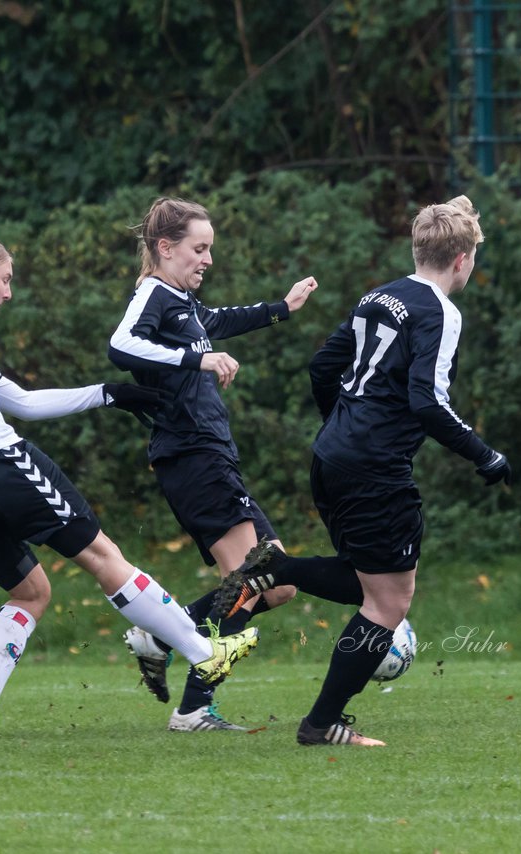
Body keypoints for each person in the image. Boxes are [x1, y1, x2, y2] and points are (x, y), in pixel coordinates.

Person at [0, 233, 259, 736]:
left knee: (30, 592)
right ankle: (202, 652)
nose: (8, 293)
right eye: (5, 279)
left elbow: (24, 402)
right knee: (102, 554)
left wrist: (110, 393)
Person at [216, 195, 510, 746]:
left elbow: (323, 366)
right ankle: (320, 724)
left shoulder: (378, 295)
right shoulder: (441, 313)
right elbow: (427, 401)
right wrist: (482, 454)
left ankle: (278, 571)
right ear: (463, 260)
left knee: (367, 581)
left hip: (331, 457)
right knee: (388, 603)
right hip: (373, 467)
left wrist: (342, 426)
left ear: (418, 248)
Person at [107, 197, 361, 732]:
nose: (208, 260)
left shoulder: (180, 302)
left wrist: (282, 309)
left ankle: (164, 632)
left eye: (210, 250)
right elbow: (121, 344)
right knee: (249, 576)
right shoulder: (153, 294)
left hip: (210, 455)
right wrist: (197, 358)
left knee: (277, 584)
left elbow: (217, 321)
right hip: (192, 455)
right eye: (199, 249)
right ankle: (194, 707)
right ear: (165, 248)